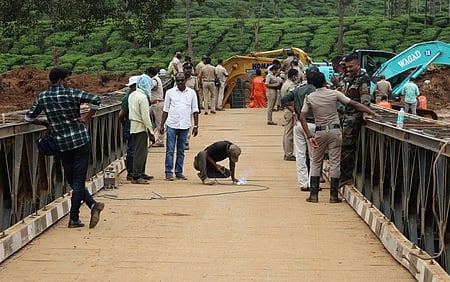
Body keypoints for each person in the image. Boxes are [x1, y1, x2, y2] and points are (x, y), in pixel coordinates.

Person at [25, 67, 105, 228]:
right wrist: (87, 117)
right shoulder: (72, 93)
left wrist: (46, 122)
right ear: (61, 81)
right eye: (68, 80)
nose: (70, 82)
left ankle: (91, 206)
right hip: (80, 141)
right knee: (78, 180)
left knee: (72, 180)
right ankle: (75, 217)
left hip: (62, 144)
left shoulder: (43, 97)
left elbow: (28, 117)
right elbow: (96, 100)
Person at [300, 71, 379, 203]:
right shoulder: (334, 93)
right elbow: (355, 104)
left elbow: (302, 117)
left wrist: (309, 136)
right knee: (335, 162)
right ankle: (333, 196)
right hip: (335, 131)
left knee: (316, 162)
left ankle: (313, 195)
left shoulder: (309, 97)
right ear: (325, 81)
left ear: (313, 84)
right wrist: (372, 112)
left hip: (320, 132)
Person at [281, 67, 318, 191]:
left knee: (301, 154)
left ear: (306, 76)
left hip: (299, 125)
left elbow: (284, 99)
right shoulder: (318, 91)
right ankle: (313, 182)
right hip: (313, 125)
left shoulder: (298, 90)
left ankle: (303, 183)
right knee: (314, 156)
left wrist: (295, 111)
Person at [160, 72, 199, 181]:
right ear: (175, 81)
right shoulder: (169, 93)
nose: (180, 82)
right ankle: (168, 172)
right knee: (170, 150)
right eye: (178, 81)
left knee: (181, 150)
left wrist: (196, 125)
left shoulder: (192, 93)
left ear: (185, 80)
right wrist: (162, 125)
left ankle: (179, 172)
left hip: (185, 125)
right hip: (172, 124)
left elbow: (195, 110)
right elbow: (165, 110)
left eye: (182, 80)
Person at [340, 54, 371, 186]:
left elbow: (365, 96)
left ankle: (347, 176)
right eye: (347, 67)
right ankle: (343, 174)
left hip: (354, 116)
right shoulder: (345, 77)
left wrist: (365, 112)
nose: (349, 69)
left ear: (358, 65)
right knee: (341, 146)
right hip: (343, 114)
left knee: (347, 146)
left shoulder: (363, 79)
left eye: (351, 66)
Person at [128, 74, 156, 184]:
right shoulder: (143, 98)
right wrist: (151, 132)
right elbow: (145, 117)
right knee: (141, 152)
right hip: (140, 127)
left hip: (133, 125)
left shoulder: (132, 95)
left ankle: (140, 172)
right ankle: (136, 175)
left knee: (137, 151)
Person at [119, 75, 139, 179]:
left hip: (134, 127)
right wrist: (123, 123)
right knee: (131, 150)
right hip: (130, 127)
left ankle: (135, 171)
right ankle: (130, 173)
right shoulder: (127, 98)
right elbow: (121, 114)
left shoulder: (135, 96)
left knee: (135, 149)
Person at [280, 68, 298, 161]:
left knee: (287, 132)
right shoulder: (291, 86)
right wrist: (295, 111)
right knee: (289, 133)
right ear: (294, 76)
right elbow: (292, 99)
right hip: (290, 109)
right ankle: (289, 153)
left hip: (286, 109)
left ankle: (287, 152)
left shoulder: (285, 84)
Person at [182, 62, 200, 150]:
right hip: (179, 104)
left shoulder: (194, 79)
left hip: (189, 104)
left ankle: (186, 141)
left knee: (188, 122)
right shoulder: (179, 79)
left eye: (190, 69)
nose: (188, 70)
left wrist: (198, 106)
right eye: (186, 69)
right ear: (183, 69)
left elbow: (197, 91)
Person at [147, 67, 165, 148]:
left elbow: (150, 87)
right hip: (155, 104)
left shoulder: (154, 80)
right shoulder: (157, 79)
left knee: (159, 123)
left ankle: (161, 141)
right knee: (147, 117)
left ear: (150, 73)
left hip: (157, 104)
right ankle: (155, 138)